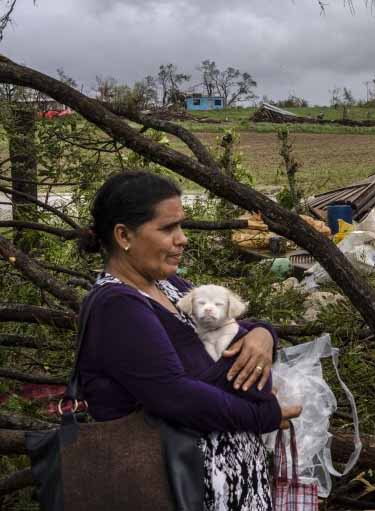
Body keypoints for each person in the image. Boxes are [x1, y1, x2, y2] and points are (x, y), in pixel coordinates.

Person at [76, 171, 302, 511]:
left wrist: (263, 334)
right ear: (123, 234)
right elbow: (175, 397)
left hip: (224, 483)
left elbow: (229, 326)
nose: (182, 239)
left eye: (181, 226)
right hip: (179, 489)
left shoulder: (171, 287)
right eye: (167, 229)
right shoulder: (117, 306)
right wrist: (265, 415)